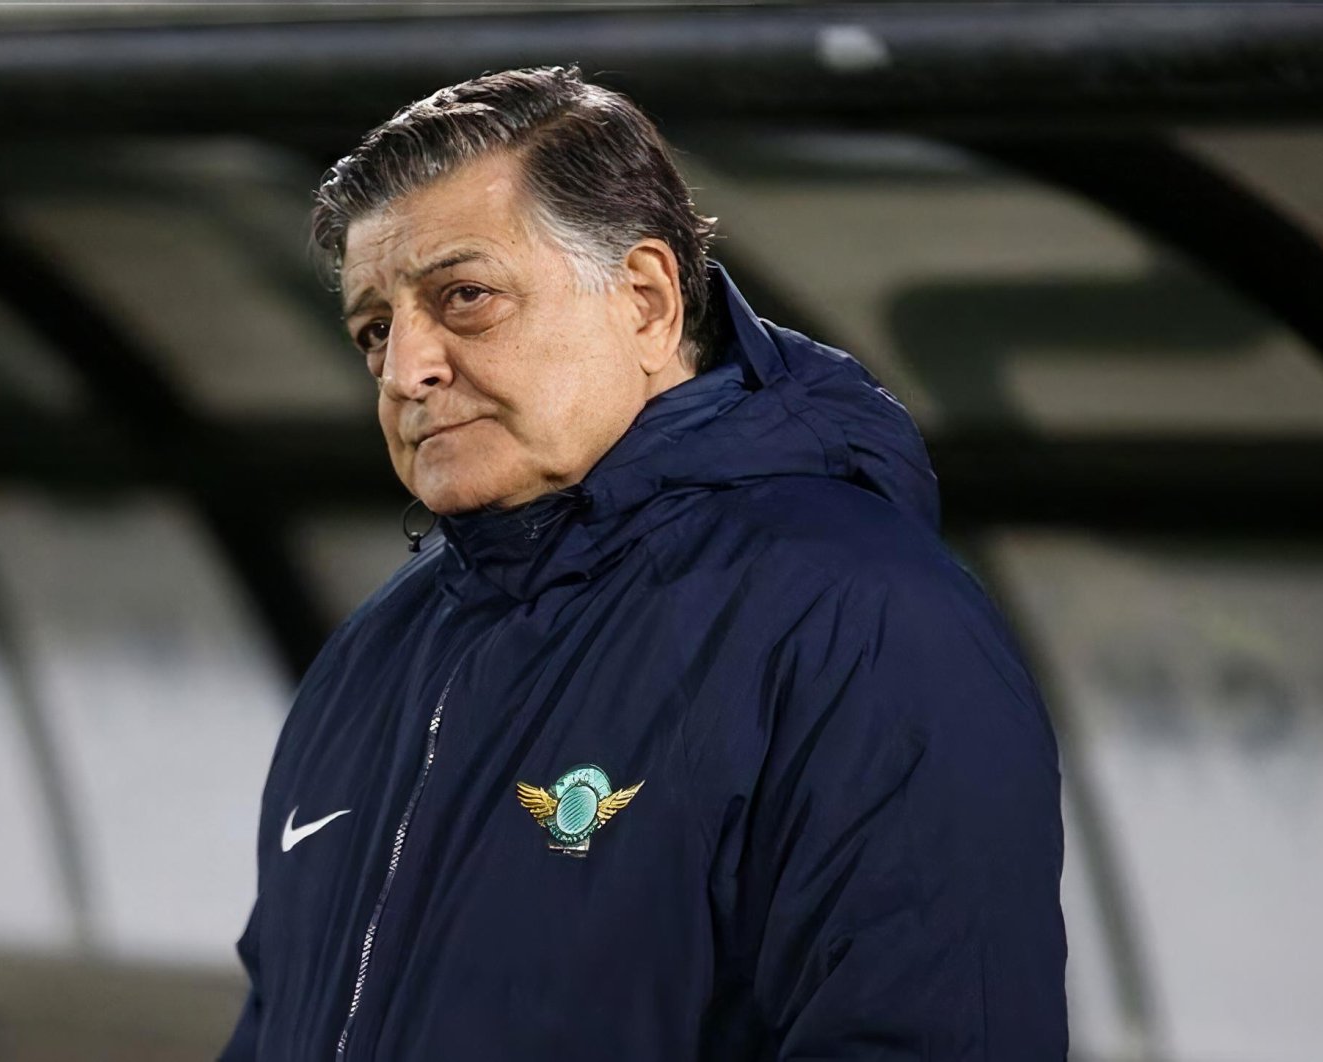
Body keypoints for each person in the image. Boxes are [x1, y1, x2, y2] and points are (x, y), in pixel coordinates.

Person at [220, 66, 1066, 1060]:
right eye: (375, 330)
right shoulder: (379, 649)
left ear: (647, 301)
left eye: (466, 297)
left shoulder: (859, 618)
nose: (408, 369)